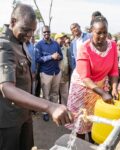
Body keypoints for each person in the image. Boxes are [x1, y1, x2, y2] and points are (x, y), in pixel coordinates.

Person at [0, 4, 73, 150]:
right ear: (13, 22)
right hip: (9, 121)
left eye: (32, 31)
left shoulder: (20, 42)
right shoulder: (4, 45)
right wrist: (49, 106)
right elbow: (6, 88)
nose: (29, 35)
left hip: (24, 113)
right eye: (26, 30)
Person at [66, 16, 119, 142]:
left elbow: (114, 70)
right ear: (91, 31)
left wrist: (114, 88)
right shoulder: (85, 48)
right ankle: (81, 145)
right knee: (82, 121)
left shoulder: (113, 46)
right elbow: (85, 77)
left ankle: (93, 142)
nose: (102, 36)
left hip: (100, 87)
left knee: (95, 119)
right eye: (98, 33)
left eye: (105, 32)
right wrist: (103, 93)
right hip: (82, 87)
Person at [35, 26, 63, 121]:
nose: (46, 33)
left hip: (56, 72)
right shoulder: (39, 45)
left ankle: (54, 111)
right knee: (46, 94)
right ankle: (45, 112)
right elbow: (38, 59)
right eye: (44, 32)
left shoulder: (55, 44)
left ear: (50, 32)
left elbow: (61, 56)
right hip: (46, 73)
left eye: (48, 32)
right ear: (42, 33)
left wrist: (58, 57)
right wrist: (51, 57)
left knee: (55, 93)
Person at [55, 33, 70, 105]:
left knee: (65, 93)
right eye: (60, 38)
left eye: (63, 38)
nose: (63, 40)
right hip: (56, 75)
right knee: (55, 93)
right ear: (56, 39)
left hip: (65, 75)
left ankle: (64, 108)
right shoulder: (53, 48)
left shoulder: (66, 48)